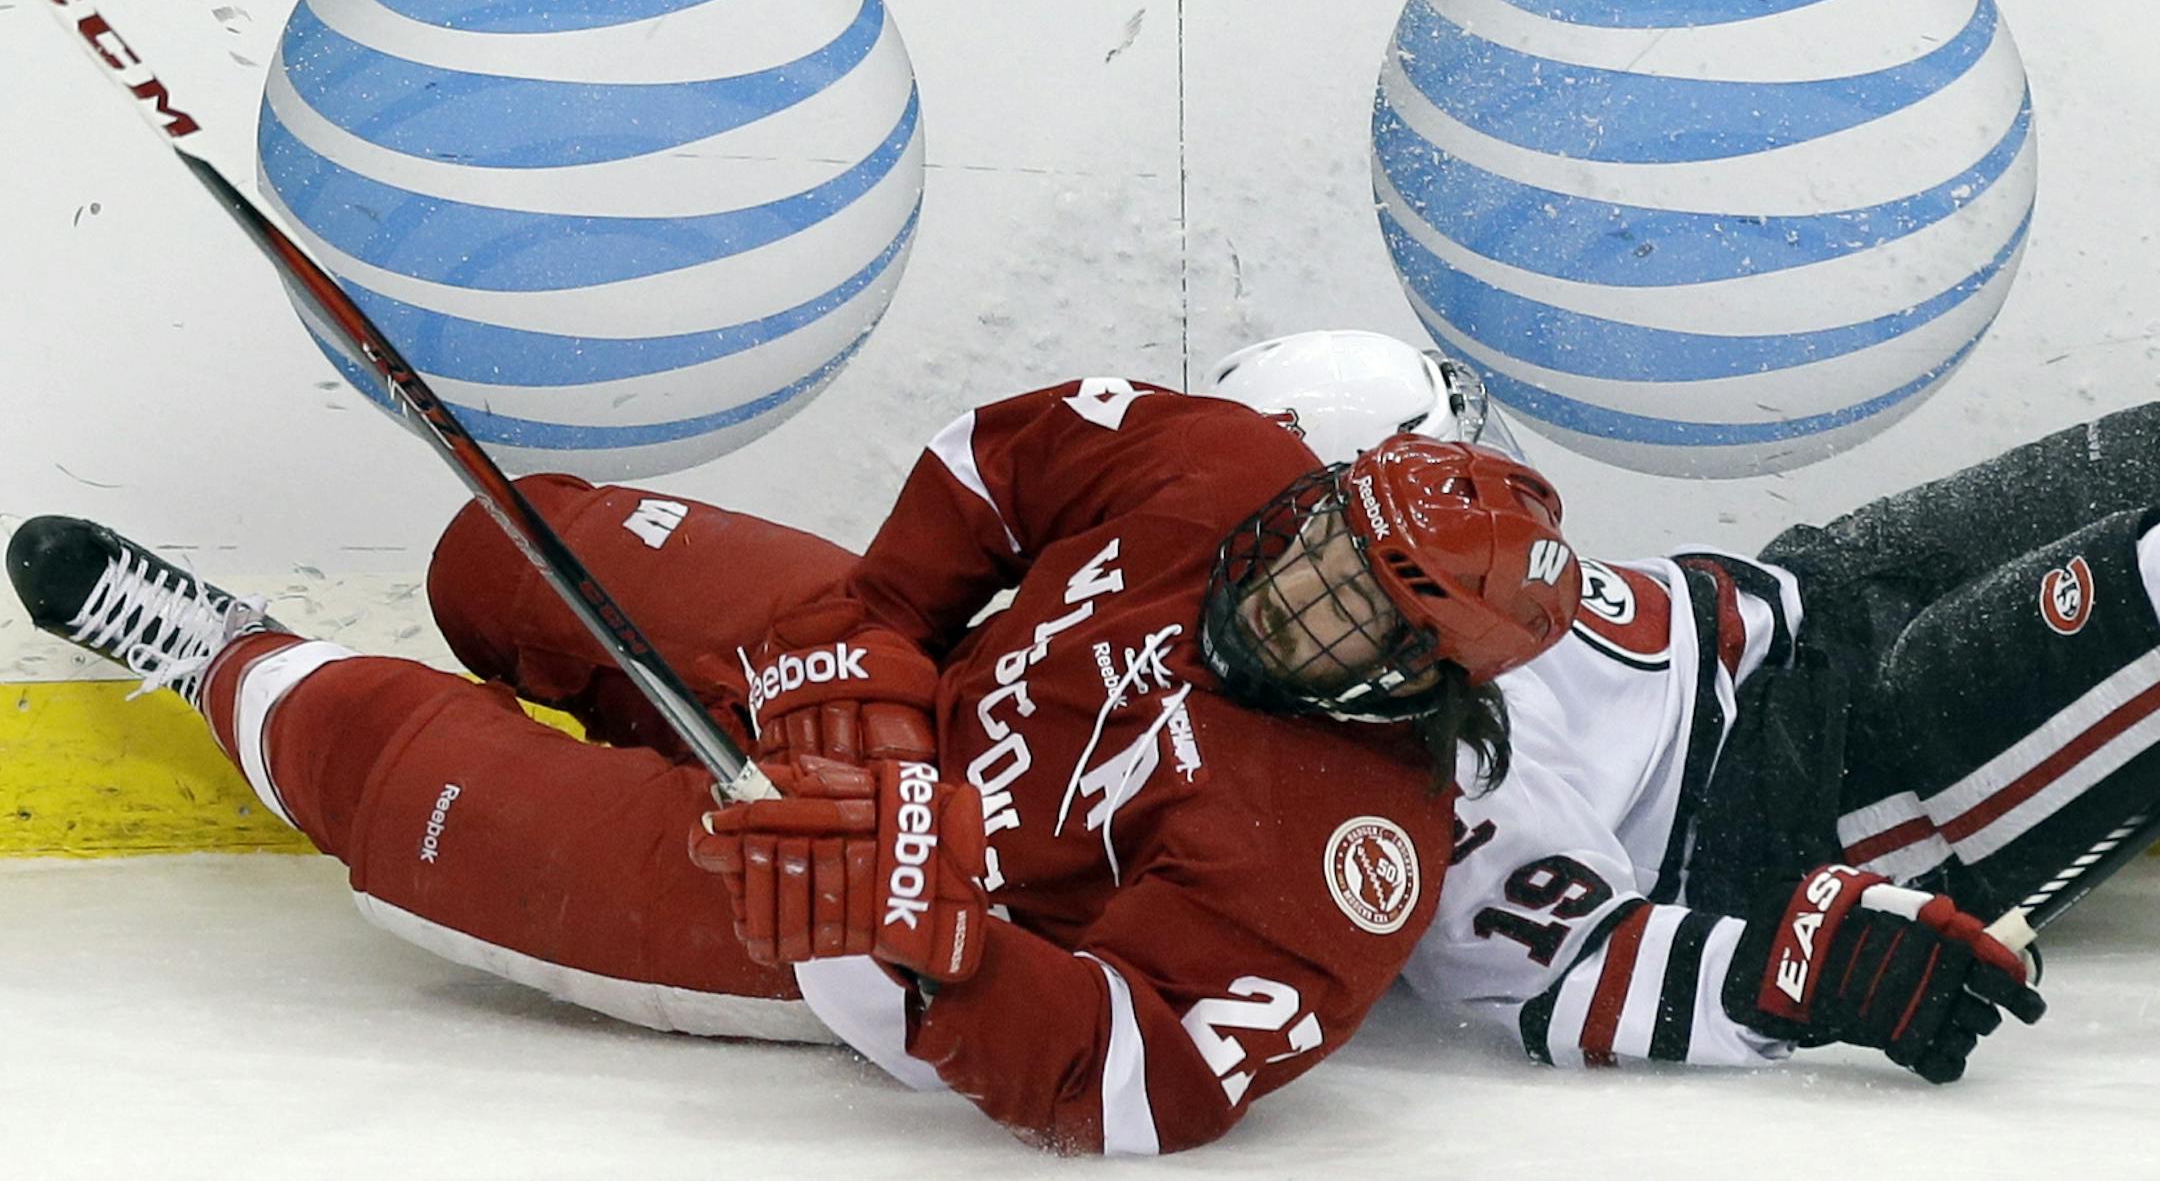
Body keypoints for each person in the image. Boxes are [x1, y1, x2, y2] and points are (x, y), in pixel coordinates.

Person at [6, 376, 1580, 1155]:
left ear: (1422, 668)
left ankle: (219, 653)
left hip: (830, 901)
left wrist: (935, 944)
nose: (1303, 583)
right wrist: (874, 649)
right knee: (503, 545)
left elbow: (1140, 1077)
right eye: (1329, 538)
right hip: (874, 670)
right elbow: (995, 460)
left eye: (1362, 604)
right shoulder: (1230, 465)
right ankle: (689, 694)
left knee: (416, 771)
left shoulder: (1350, 849)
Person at [1203, 329, 2160, 1082]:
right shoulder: (1415, 764)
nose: (1474, 484)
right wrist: (1801, 979)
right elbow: (1573, 970)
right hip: (1850, 783)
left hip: (1817, 589)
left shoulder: (1404, 604)